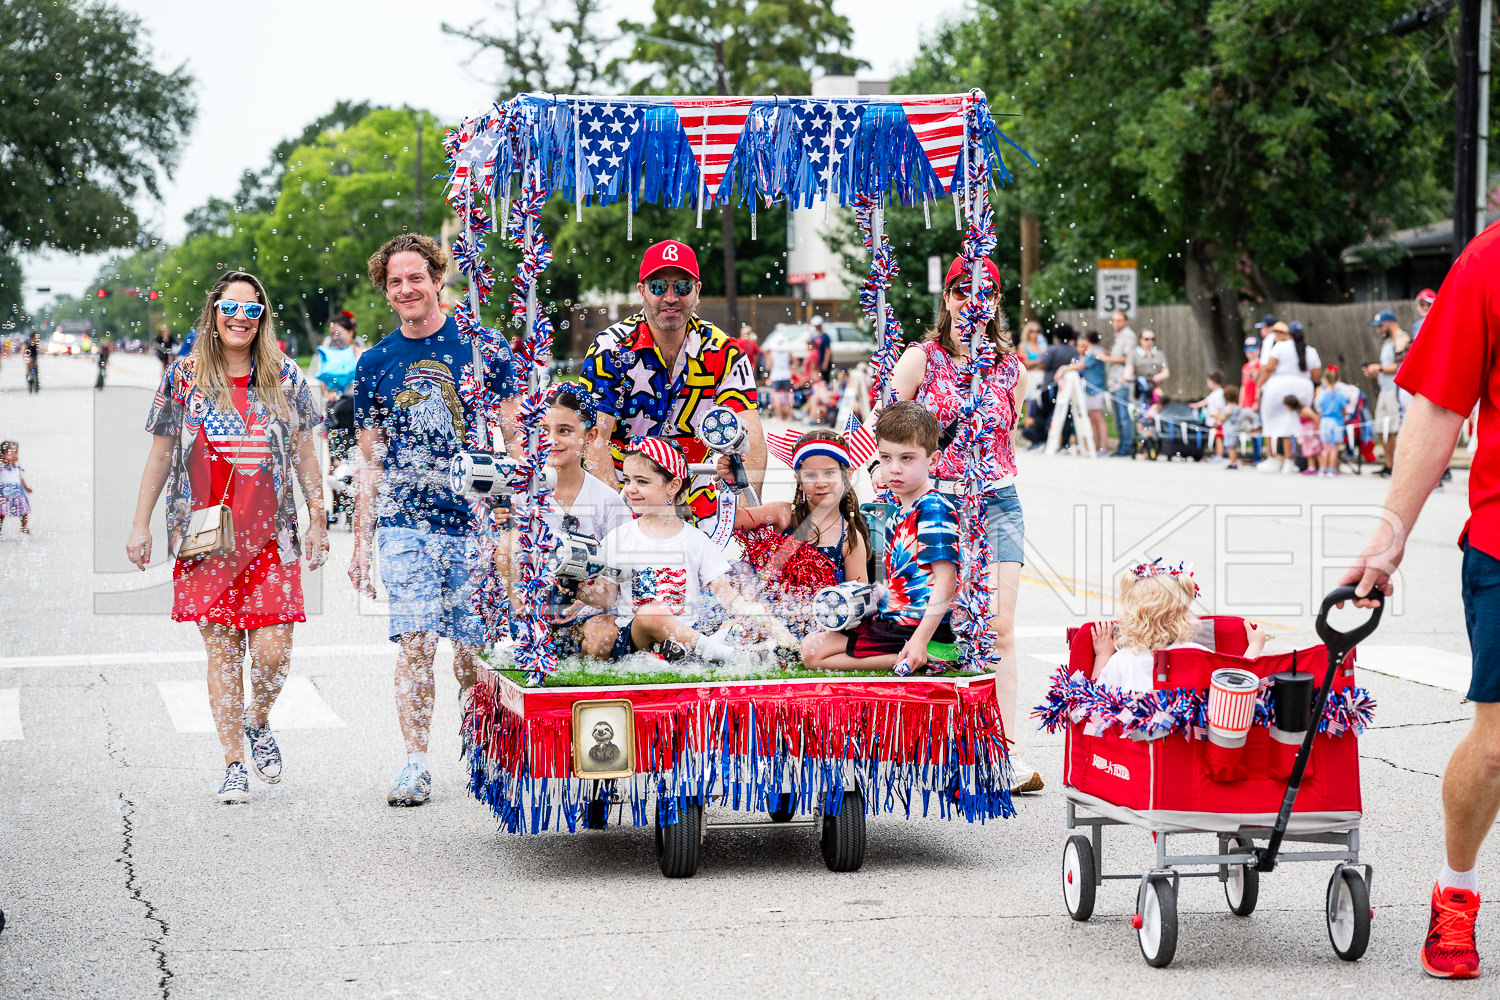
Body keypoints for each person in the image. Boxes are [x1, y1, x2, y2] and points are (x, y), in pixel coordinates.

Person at [1337, 224, 1500, 980]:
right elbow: (1438, 406)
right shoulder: (1489, 260)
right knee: (1498, 748)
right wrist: (1392, 530)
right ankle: (1456, 891)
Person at [127, 271, 327, 804]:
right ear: (213, 314)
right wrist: (140, 522)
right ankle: (233, 761)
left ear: (264, 318)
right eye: (230, 309)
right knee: (221, 652)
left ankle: (257, 719)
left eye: (252, 310)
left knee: (273, 652)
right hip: (204, 536)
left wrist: (318, 514)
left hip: (272, 537)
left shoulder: (286, 376)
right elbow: (161, 453)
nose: (241, 319)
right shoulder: (183, 377)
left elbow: (307, 450)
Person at [348, 233, 520, 807]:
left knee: (473, 652)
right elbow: (369, 462)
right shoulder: (374, 364)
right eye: (395, 282)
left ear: (438, 278)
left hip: (471, 522)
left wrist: (512, 514)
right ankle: (415, 763)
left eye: (415, 277)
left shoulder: (482, 347)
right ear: (386, 290)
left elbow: (514, 437)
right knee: (416, 642)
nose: (406, 289)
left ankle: (482, 748)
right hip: (405, 522)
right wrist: (360, 539)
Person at [886, 257, 1038, 790]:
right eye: (962, 292)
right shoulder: (921, 358)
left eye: (987, 293)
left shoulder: (1013, 367)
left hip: (997, 502)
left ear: (996, 302)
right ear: (947, 298)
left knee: (998, 627)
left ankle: (1006, 751)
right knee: (931, 622)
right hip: (937, 504)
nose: (974, 302)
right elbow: (888, 431)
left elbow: (1006, 439)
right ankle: (932, 748)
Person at [580, 240, 765, 526]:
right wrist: (620, 521)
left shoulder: (723, 351)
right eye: (658, 287)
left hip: (696, 499)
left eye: (682, 287)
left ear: (697, 291)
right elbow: (594, 441)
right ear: (641, 291)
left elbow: (750, 436)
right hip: (623, 494)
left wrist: (741, 518)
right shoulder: (611, 349)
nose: (670, 297)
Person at [576, 438, 771, 663]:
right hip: (636, 639)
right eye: (627, 479)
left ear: (673, 485)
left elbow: (726, 595)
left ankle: (687, 653)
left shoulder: (696, 539)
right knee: (650, 613)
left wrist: (754, 615)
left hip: (686, 636)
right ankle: (723, 655)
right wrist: (580, 589)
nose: (630, 488)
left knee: (744, 617)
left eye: (642, 481)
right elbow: (607, 598)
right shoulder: (619, 538)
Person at [801, 402, 960, 675]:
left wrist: (920, 640)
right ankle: (915, 651)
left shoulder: (933, 508)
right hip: (893, 619)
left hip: (914, 625)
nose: (894, 469)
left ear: (933, 460)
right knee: (811, 642)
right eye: (886, 458)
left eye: (906, 458)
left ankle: (929, 655)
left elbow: (946, 581)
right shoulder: (900, 510)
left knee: (813, 653)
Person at [504, 385, 632, 660]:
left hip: (588, 608)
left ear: (591, 435)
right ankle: (521, 635)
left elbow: (616, 582)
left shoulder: (608, 501)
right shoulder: (521, 496)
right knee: (506, 541)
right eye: (543, 430)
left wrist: (583, 600)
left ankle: (587, 698)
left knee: (601, 634)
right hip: (533, 606)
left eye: (564, 430)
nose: (552, 440)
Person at [729, 429, 872, 637]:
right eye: (811, 475)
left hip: (817, 624)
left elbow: (859, 599)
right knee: (736, 574)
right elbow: (731, 521)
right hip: (767, 611)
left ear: (848, 475)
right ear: (798, 478)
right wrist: (731, 484)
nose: (821, 482)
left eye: (830, 473)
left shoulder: (849, 538)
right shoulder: (784, 514)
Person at [1089, 564, 1265, 691]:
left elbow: (1094, 701)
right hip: (1189, 741)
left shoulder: (1122, 660)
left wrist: (1103, 656)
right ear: (1182, 617)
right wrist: (1254, 646)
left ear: (1130, 617)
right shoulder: (1198, 654)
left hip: (1134, 742)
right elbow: (1237, 685)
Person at [1255, 320, 1322, 473]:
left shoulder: (1280, 347)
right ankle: (1289, 461)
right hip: (1302, 388)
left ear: (1288, 334)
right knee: (1291, 424)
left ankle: (1272, 458)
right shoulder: (1310, 351)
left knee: (1271, 424)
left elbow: (1269, 368)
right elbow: (1316, 375)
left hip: (1277, 387)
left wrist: (1259, 385)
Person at [1363, 309, 1412, 477]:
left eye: (1381, 326)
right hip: (1385, 390)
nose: (1379, 330)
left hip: (1396, 391)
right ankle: (1389, 465)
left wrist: (1381, 368)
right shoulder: (1387, 343)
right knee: (1381, 428)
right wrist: (1376, 371)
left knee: (1396, 429)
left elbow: (1402, 366)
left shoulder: (1402, 340)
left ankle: (1401, 466)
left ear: (1391, 323)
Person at [1102, 310, 1138, 457]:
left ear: (1126, 322)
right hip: (1114, 382)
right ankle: (1122, 446)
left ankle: (1126, 448)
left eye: (1118, 320)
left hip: (1123, 381)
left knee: (1124, 416)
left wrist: (1106, 359)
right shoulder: (1119, 336)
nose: (1115, 323)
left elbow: (1127, 358)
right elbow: (1117, 355)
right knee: (1118, 417)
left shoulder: (1129, 336)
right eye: (1114, 320)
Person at [1314, 368, 1347, 477]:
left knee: (1326, 446)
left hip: (1325, 422)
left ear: (1325, 379)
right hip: (1337, 422)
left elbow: (1319, 410)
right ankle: (1332, 469)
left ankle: (1323, 468)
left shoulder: (1322, 394)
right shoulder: (1341, 395)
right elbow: (1344, 410)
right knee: (1335, 447)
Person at [0, 441, 34, 534]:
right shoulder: (1, 465)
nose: (14, 455)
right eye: (10, 453)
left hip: (18, 491)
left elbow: (20, 477)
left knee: (23, 511)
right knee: (1, 513)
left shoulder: (16, 465)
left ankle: (24, 527)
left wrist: (26, 487)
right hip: (4, 492)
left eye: (15, 452)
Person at [767, 334, 795, 421]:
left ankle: (779, 416)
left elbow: (768, 366)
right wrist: (791, 367)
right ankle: (789, 416)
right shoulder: (787, 351)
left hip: (775, 376)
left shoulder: (772, 352)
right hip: (786, 375)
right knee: (787, 397)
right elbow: (795, 362)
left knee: (776, 397)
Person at [806, 314, 832, 384]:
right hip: (817, 363)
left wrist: (825, 363)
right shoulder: (816, 336)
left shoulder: (825, 337)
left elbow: (828, 351)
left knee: (824, 380)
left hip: (823, 362)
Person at [1240, 335, 1262, 411]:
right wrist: (1240, 403)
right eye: (1247, 349)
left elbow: (1260, 385)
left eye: (1253, 348)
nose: (1250, 352)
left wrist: (1257, 402)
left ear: (1259, 350)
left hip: (1257, 405)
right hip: (1246, 406)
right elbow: (1243, 386)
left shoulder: (1261, 365)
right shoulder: (1245, 367)